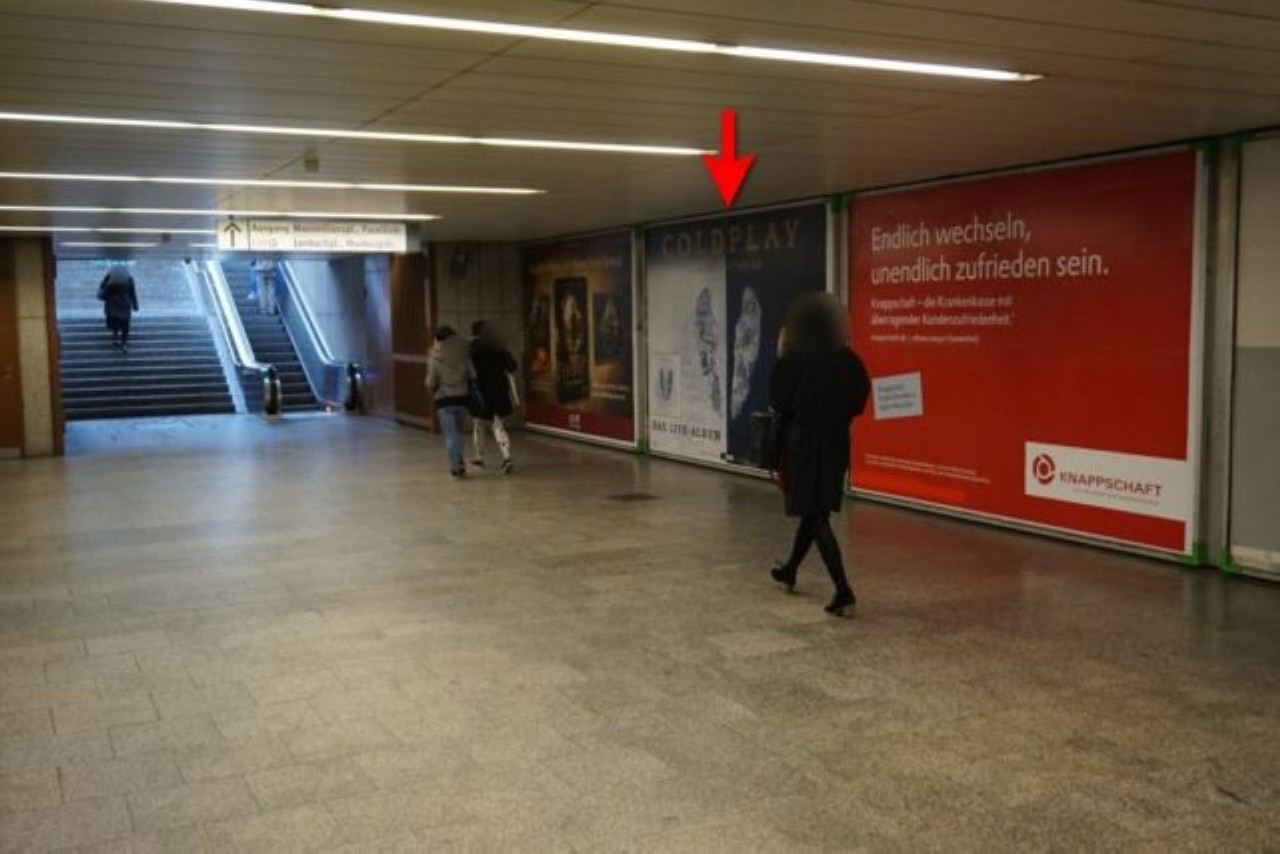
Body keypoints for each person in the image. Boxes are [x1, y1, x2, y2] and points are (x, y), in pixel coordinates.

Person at [767, 294, 871, 616]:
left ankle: (843, 591)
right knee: (816, 512)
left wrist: (782, 351)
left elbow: (778, 402)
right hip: (836, 445)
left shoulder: (795, 359)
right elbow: (859, 402)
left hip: (803, 446)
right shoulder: (849, 360)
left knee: (813, 515)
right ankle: (790, 570)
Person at [425, 325, 476, 479]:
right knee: (458, 433)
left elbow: (431, 382)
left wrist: (432, 392)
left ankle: (456, 467)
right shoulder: (463, 354)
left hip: (444, 400)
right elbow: (473, 375)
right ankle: (460, 463)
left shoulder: (435, 357)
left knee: (451, 435)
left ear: (438, 340)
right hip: (462, 399)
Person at [468, 320, 518, 474]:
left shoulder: (471, 348)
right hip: (499, 391)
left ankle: (479, 457)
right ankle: (507, 457)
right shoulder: (497, 346)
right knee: (498, 425)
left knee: (478, 424)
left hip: (480, 392)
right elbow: (512, 366)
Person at [96, 264, 139, 352]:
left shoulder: (125, 279)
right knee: (120, 326)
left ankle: (120, 342)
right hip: (119, 307)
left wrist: (135, 304)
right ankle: (120, 341)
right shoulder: (124, 279)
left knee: (120, 325)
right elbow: (132, 293)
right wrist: (135, 304)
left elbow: (132, 292)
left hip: (118, 307)